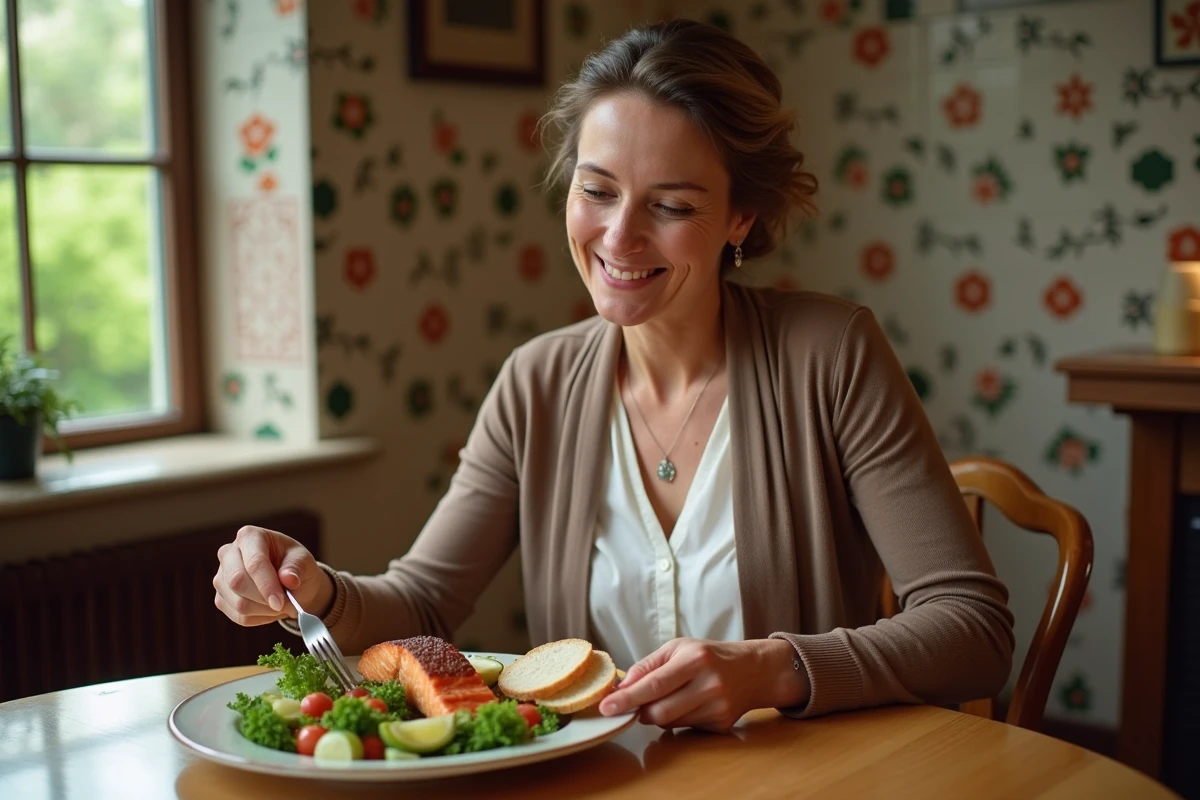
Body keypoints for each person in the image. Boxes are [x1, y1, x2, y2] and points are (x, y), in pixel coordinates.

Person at [213, 19, 1014, 733]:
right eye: (597, 191)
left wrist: (771, 667)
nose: (619, 237)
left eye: (670, 206)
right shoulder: (536, 382)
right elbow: (424, 602)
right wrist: (315, 591)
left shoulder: (831, 352)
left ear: (741, 218)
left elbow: (972, 628)